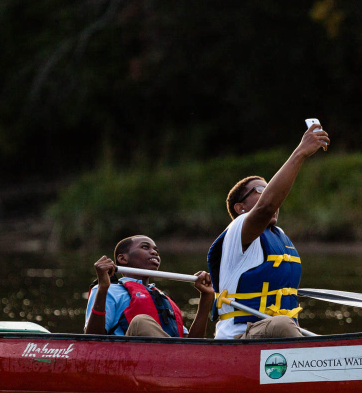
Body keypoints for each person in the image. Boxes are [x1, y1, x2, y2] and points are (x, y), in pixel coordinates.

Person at [207, 122, 329, 339]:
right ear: (240, 207)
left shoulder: (279, 236)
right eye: (260, 190)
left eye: (268, 189)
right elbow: (266, 207)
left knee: (284, 325)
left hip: (275, 334)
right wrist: (300, 152)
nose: (268, 194)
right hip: (238, 338)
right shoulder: (238, 229)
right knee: (282, 325)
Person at [84, 235, 214, 337]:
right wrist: (102, 289)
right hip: (126, 359)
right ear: (123, 259)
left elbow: (192, 348)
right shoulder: (109, 290)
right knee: (140, 321)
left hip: (174, 361)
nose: (154, 252)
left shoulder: (163, 299)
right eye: (145, 247)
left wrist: (206, 297)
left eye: (156, 250)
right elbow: (92, 339)